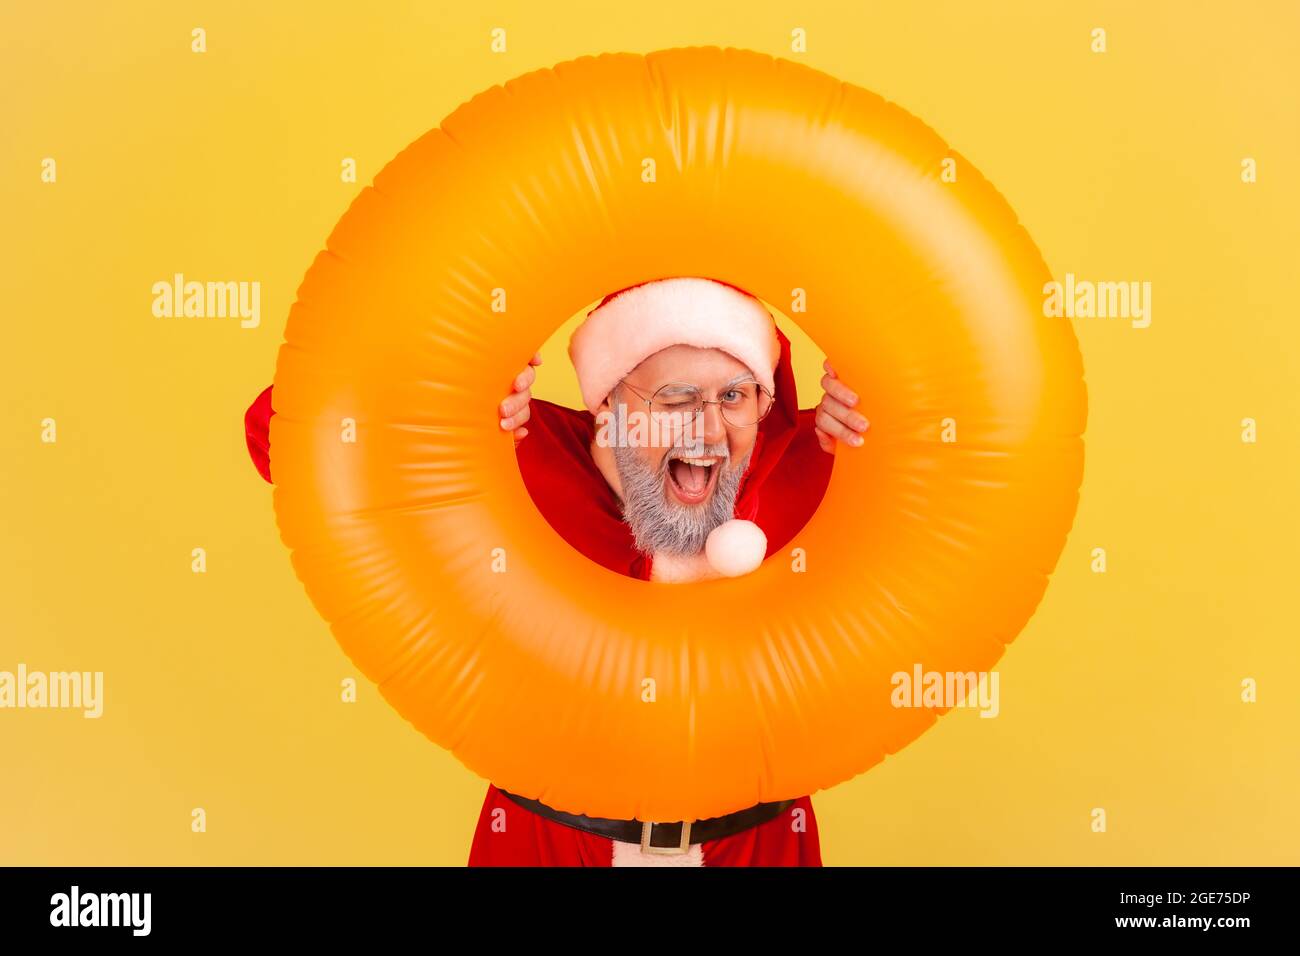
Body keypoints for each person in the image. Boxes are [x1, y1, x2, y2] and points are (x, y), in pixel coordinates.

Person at [243, 275, 871, 866]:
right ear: (608, 408)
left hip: (753, 845)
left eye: (733, 396)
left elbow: (954, 460)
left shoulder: (814, 460)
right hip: (548, 841)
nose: (707, 429)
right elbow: (281, 429)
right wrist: (447, 393)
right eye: (674, 397)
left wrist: (877, 415)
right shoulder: (514, 453)